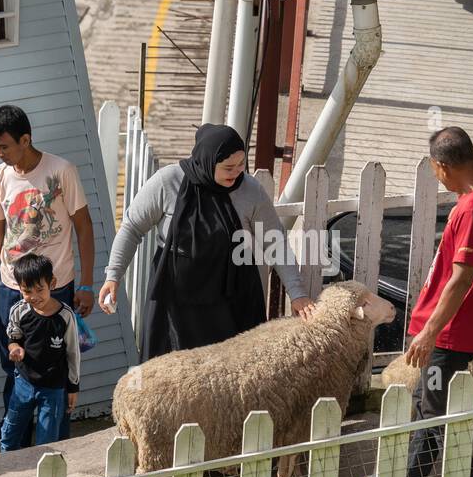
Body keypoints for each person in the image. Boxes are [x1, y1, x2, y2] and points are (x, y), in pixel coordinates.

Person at [363, 126, 473, 477]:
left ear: (443, 166)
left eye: (435, 170)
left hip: (450, 330)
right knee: (430, 400)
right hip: (455, 326)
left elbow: (461, 277)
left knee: (439, 411)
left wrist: (428, 332)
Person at [99, 123, 315, 360]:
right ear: (207, 161)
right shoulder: (167, 181)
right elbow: (131, 228)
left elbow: (276, 243)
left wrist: (297, 292)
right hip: (176, 301)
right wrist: (113, 276)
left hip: (233, 300)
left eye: (241, 165)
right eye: (228, 167)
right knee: (172, 374)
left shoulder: (251, 191)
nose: (236, 173)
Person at [0, 105, 93, 441]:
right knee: (14, 364)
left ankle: (55, 444)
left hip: (55, 288)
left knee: (55, 367)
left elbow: (84, 228)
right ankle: (16, 446)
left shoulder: (62, 171)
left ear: (26, 139)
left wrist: (86, 283)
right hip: (12, 289)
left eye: (4, 146)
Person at [0, 254, 80, 451]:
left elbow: (73, 354)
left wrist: (73, 388)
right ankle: (5, 468)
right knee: (9, 434)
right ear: (19, 288)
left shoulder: (65, 316)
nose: (34, 296)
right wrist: (14, 348)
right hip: (23, 383)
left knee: (47, 442)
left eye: (39, 289)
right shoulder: (18, 310)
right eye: (27, 291)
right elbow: (13, 337)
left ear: (52, 283)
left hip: (53, 389)